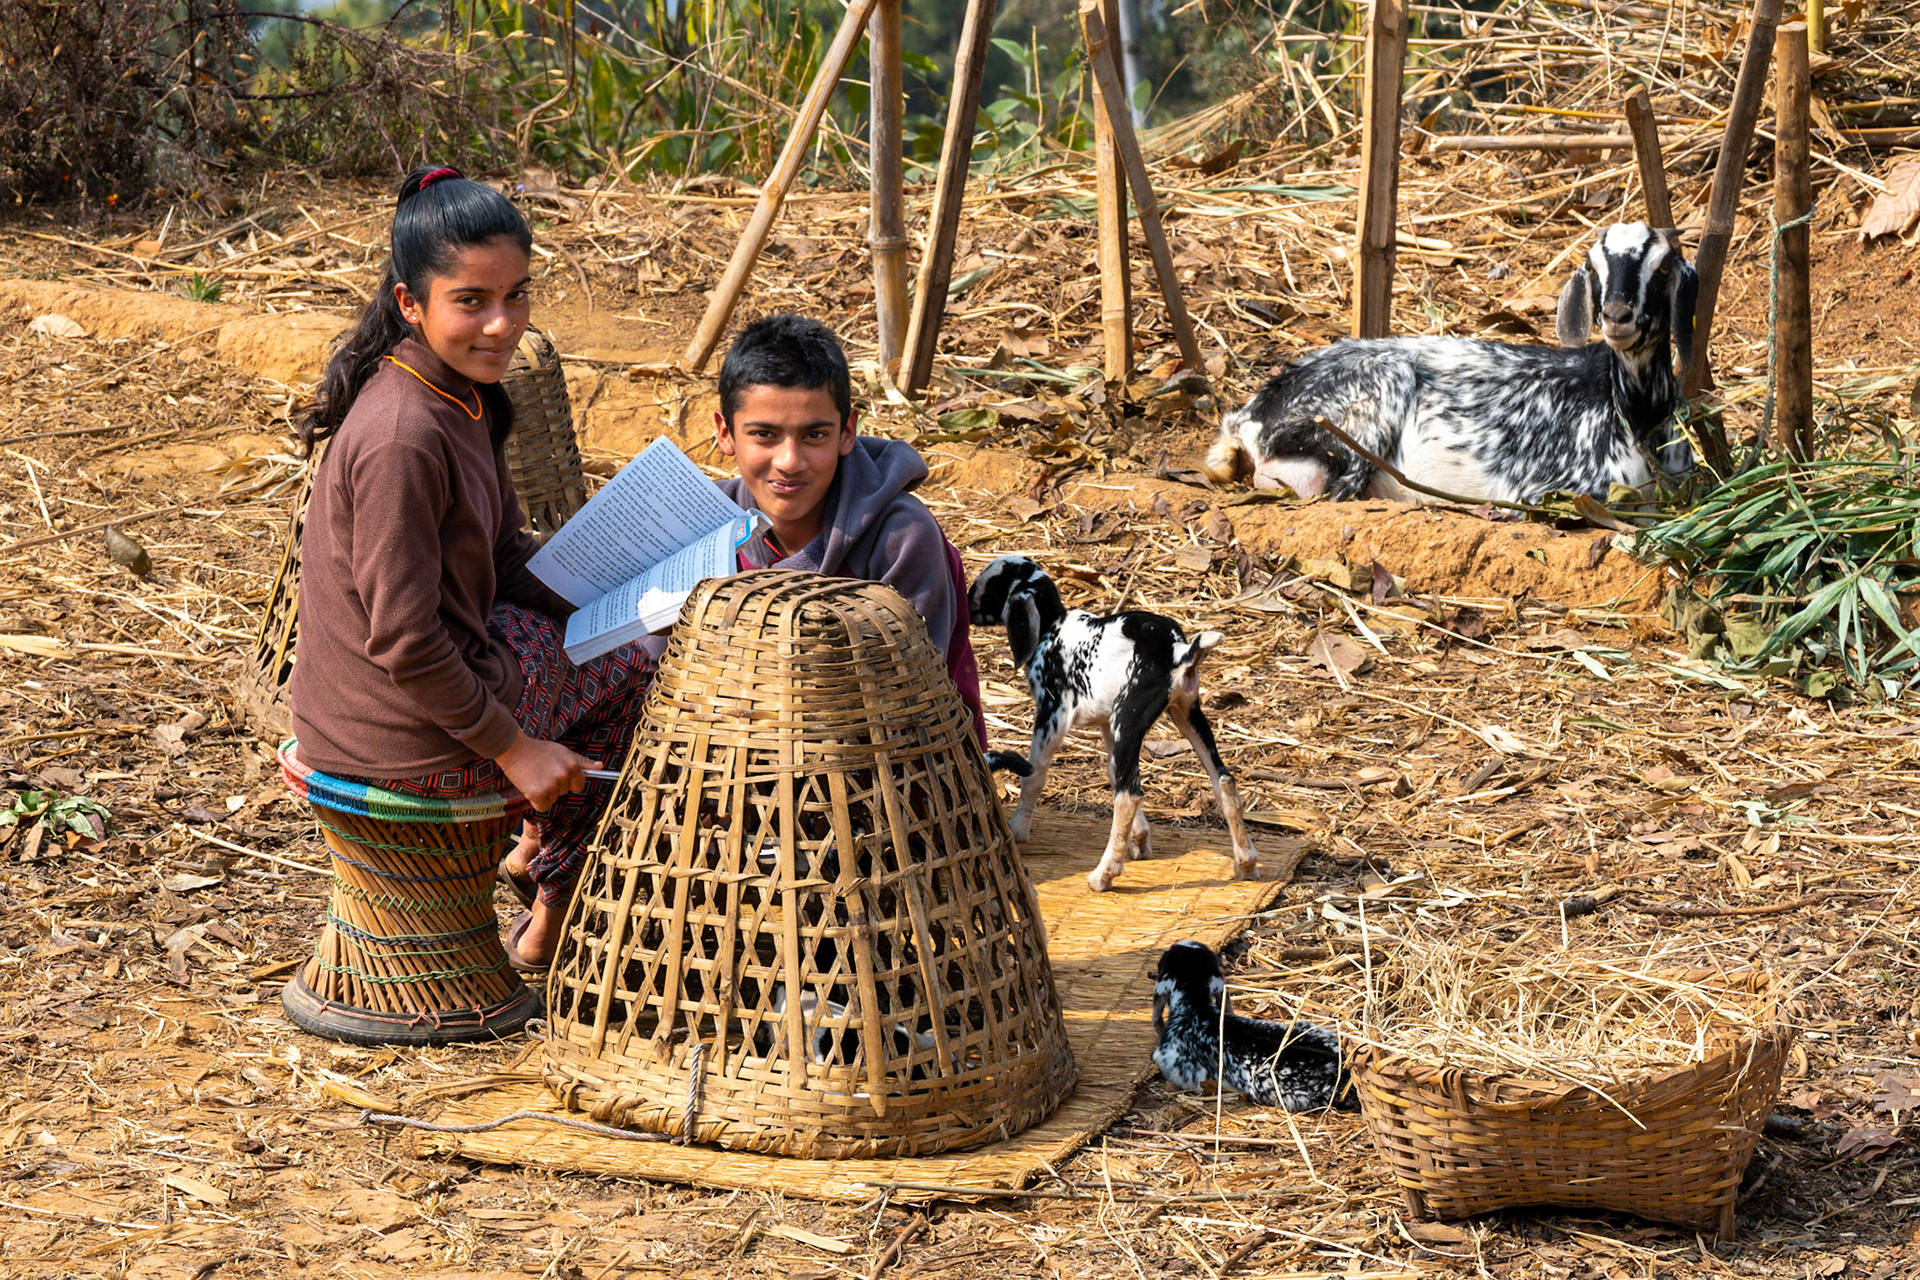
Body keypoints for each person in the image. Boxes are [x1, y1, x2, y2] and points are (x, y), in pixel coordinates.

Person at [290, 165, 651, 972]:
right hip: (390, 726)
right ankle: (559, 892)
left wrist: (617, 597)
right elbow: (409, 644)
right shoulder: (403, 438)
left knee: (626, 641)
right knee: (635, 680)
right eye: (471, 301)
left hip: (412, 687)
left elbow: (501, 554)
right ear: (409, 304)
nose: (502, 324)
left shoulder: (464, 397)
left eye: (517, 295)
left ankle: (537, 855)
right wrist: (516, 748)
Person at [713, 314, 985, 741]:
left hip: (881, 767)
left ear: (847, 432)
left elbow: (910, 702)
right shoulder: (707, 522)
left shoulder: (900, 537)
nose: (789, 461)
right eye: (764, 434)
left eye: (814, 435)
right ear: (725, 433)